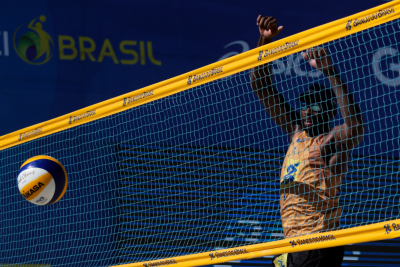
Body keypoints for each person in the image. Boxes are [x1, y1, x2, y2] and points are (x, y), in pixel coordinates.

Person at [250, 15, 364, 267]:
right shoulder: (297, 132)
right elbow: (260, 86)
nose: (308, 111)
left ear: (328, 111)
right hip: (294, 244)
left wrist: (329, 70)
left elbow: (355, 127)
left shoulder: (331, 142)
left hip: (317, 244)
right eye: (305, 105)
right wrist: (264, 42)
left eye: (316, 106)